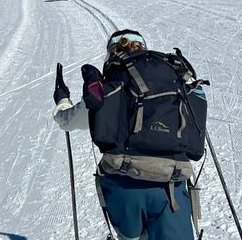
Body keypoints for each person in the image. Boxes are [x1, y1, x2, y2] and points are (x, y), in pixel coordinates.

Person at [52, 30, 208, 240]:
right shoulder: (173, 80)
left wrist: (62, 99)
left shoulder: (107, 86)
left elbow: (67, 120)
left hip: (123, 185)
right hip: (171, 184)